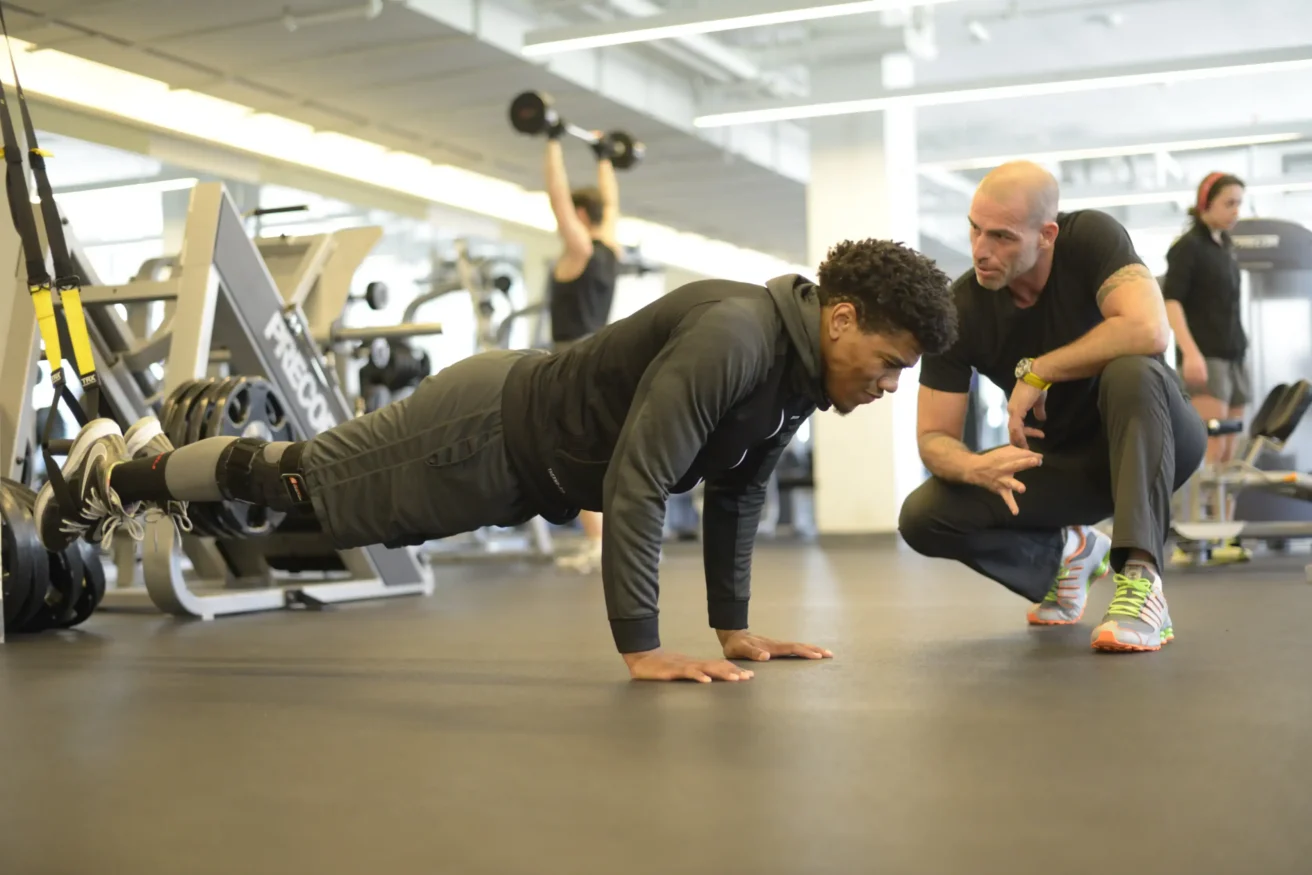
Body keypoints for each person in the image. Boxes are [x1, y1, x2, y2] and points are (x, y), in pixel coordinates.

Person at [36, 239, 959, 682]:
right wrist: (641, 646)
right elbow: (640, 479)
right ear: (843, 319)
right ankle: (116, 477)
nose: (887, 384)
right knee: (300, 482)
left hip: (512, 466)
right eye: (889, 363)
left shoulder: (796, 373)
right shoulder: (737, 337)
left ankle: (146, 467)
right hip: (482, 427)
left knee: (307, 497)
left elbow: (740, 488)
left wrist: (733, 625)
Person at [897, 161, 1207, 653]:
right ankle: (1070, 553)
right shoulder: (960, 310)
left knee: (1133, 368)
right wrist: (975, 467)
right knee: (924, 515)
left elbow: (1149, 329)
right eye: (975, 230)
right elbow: (934, 437)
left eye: (1001, 237)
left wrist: (1039, 370)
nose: (981, 250)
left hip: (1158, 436)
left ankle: (1141, 582)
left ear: (1046, 235)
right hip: (1072, 470)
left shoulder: (1090, 239)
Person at [543, 129, 621, 574]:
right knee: (595, 451)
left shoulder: (581, 248)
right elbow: (609, 204)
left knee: (572, 453)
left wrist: (553, 141)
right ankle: (608, 542)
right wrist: (603, 158)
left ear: (577, 214)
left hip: (572, 363)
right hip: (602, 355)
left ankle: (599, 545)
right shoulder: (610, 246)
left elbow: (557, 200)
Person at [1163, 172, 1248, 464]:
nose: (1236, 211)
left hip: (1234, 355)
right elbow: (1171, 301)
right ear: (1205, 204)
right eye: (1229, 203)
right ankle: (1207, 512)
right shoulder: (1188, 248)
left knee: (1230, 455)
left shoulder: (1225, 246)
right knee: (1212, 450)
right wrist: (1191, 353)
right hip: (1206, 358)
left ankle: (1227, 512)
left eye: (1239, 204)